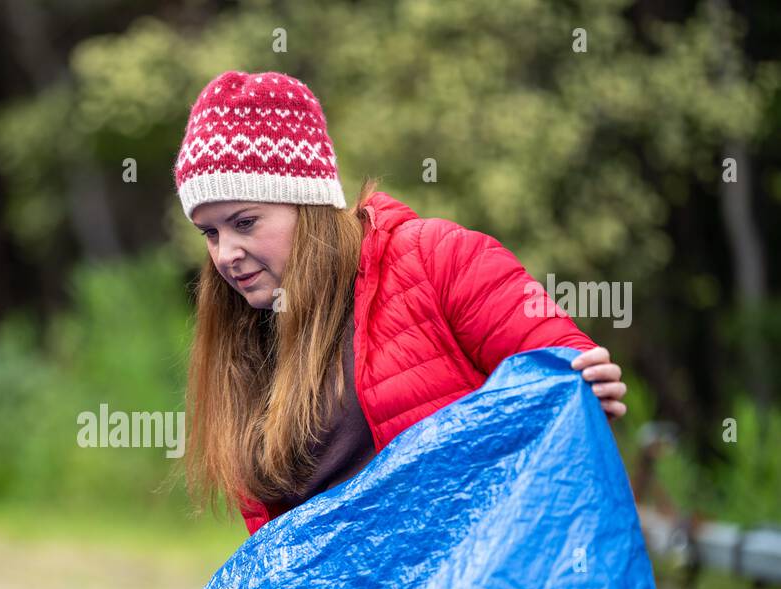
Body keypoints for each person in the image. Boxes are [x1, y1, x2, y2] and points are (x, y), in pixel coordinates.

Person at [174, 70, 627, 535]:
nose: (225, 254)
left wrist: (588, 384)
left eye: (245, 222)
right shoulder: (249, 333)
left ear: (308, 204)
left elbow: (562, 368)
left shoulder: (438, 259)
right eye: (210, 232)